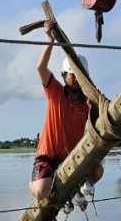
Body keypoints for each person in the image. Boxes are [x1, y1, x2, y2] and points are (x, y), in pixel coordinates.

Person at [30, 19, 103, 200]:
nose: (76, 79)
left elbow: (97, 127)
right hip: (48, 155)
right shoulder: (55, 91)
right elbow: (40, 67)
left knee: (98, 171)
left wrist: (98, 104)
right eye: (72, 75)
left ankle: (72, 189)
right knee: (40, 191)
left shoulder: (87, 102)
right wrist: (50, 40)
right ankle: (47, 184)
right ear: (64, 75)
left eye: (80, 75)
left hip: (72, 156)